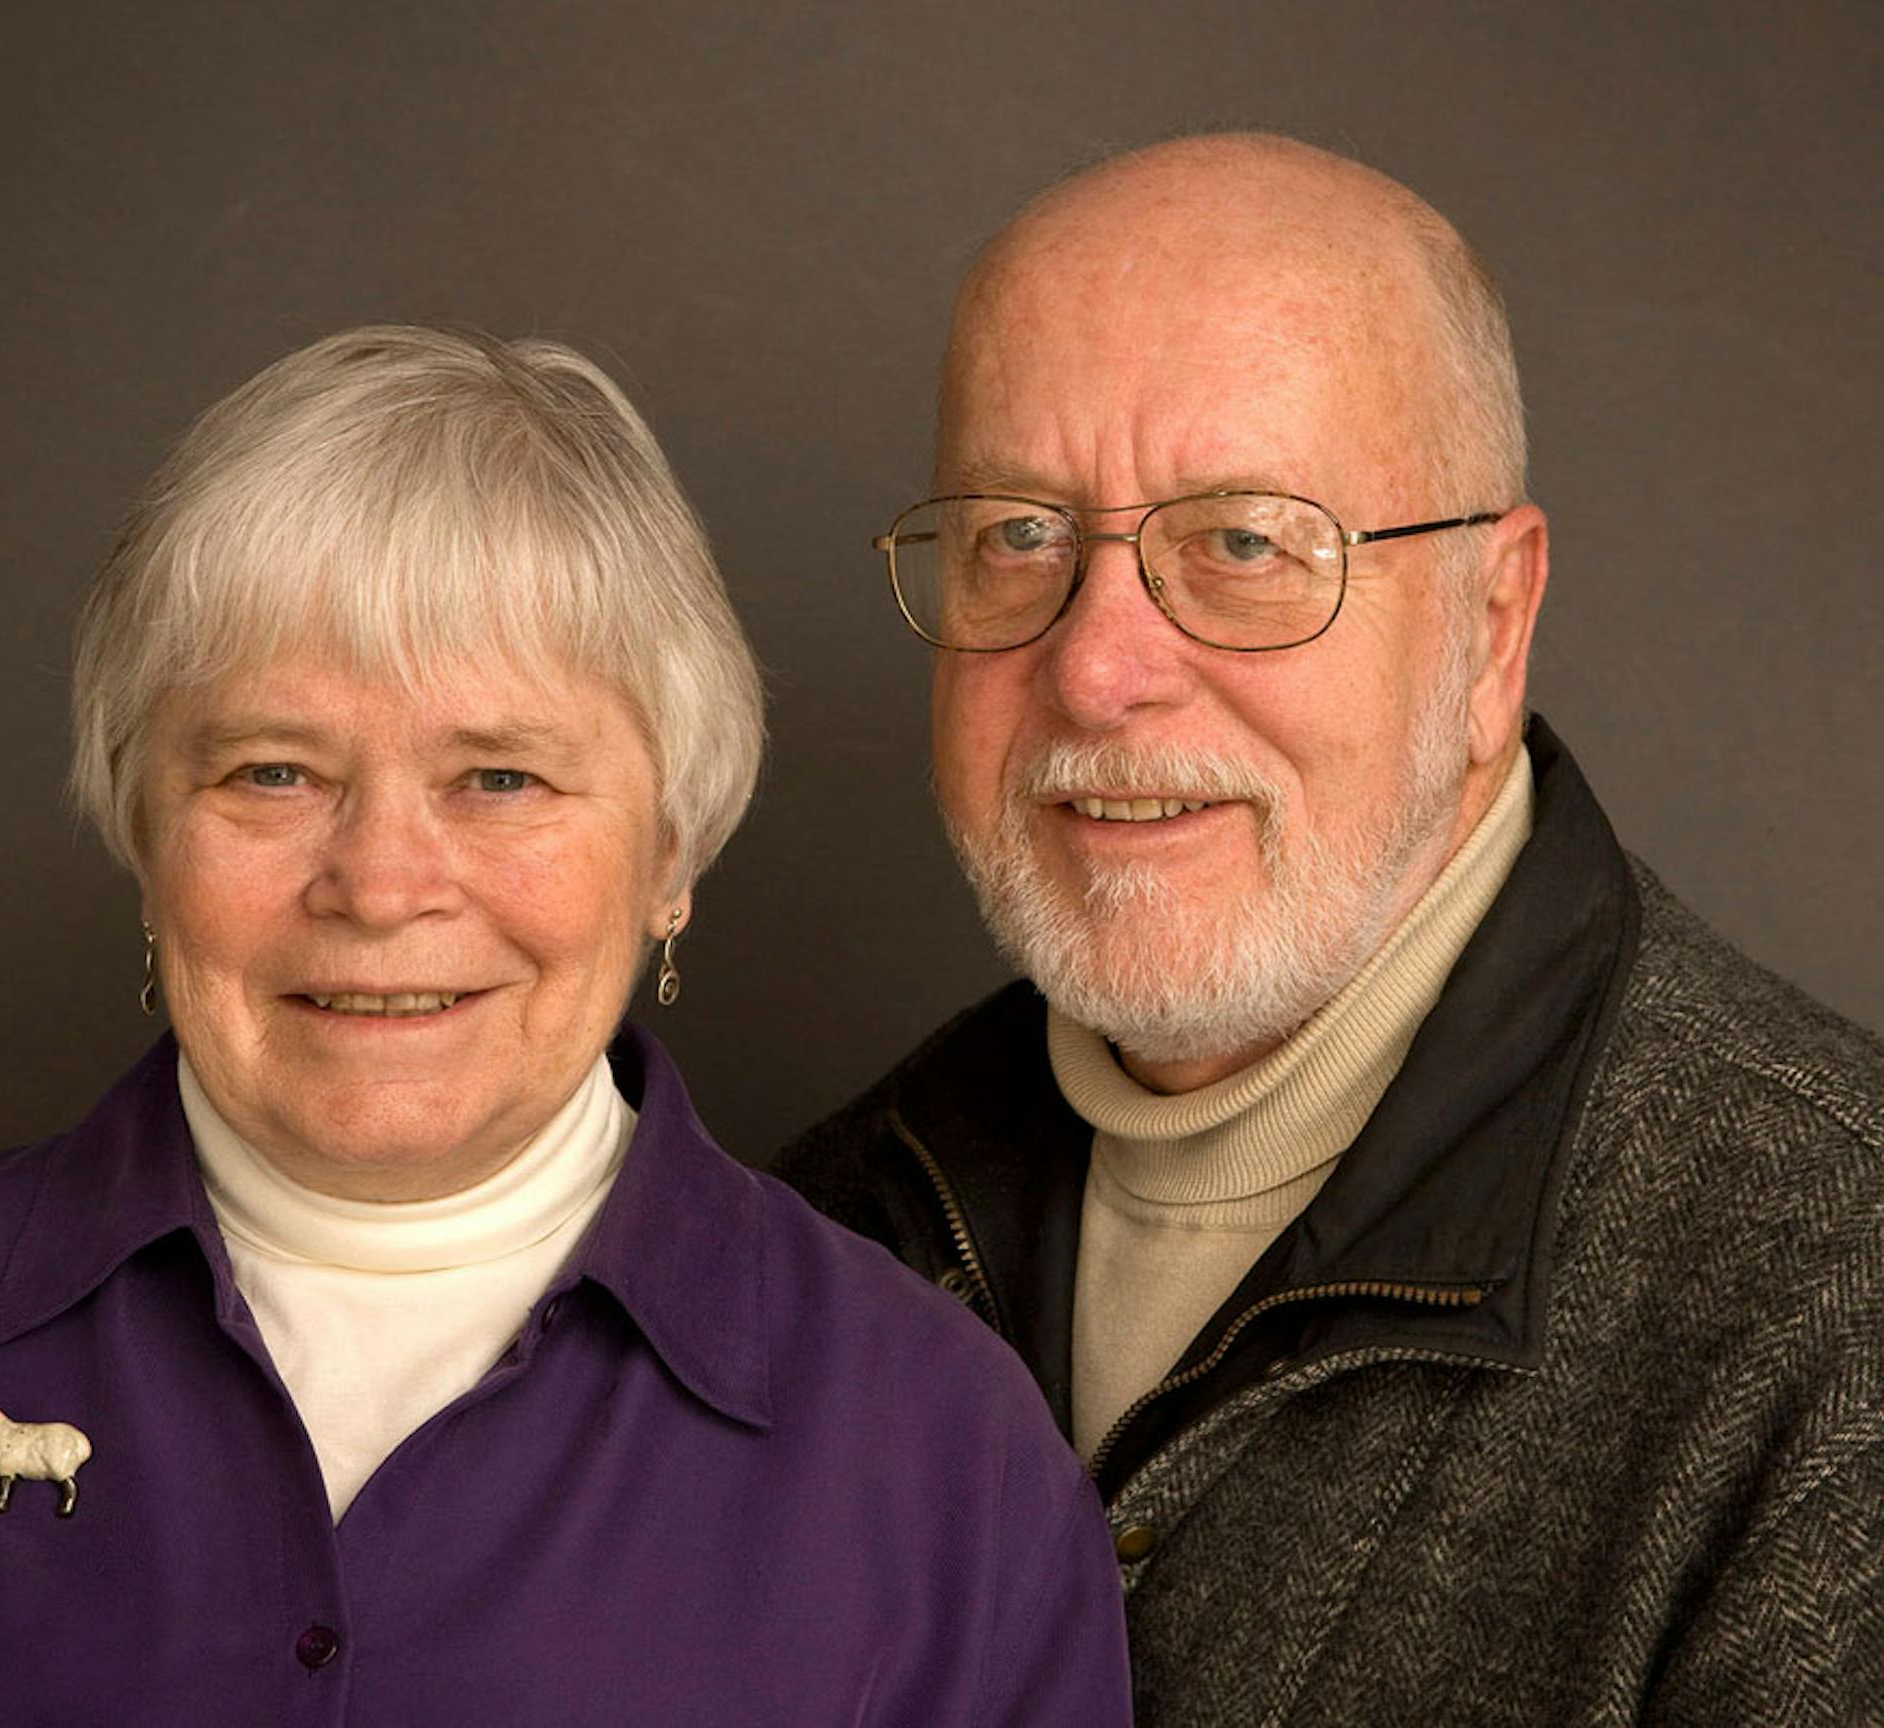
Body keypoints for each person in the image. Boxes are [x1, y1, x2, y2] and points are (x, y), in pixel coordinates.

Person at [0, 326, 1132, 1725]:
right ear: (142, 831)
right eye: (272, 772)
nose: (382, 887)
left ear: (671, 857)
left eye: (502, 778)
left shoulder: (946, 1461)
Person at [778, 134, 1884, 1723]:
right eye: (1020, 534)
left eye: (1242, 544)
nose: (1098, 671)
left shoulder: (1833, 1316)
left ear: (1491, 625)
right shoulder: (818, 1237)